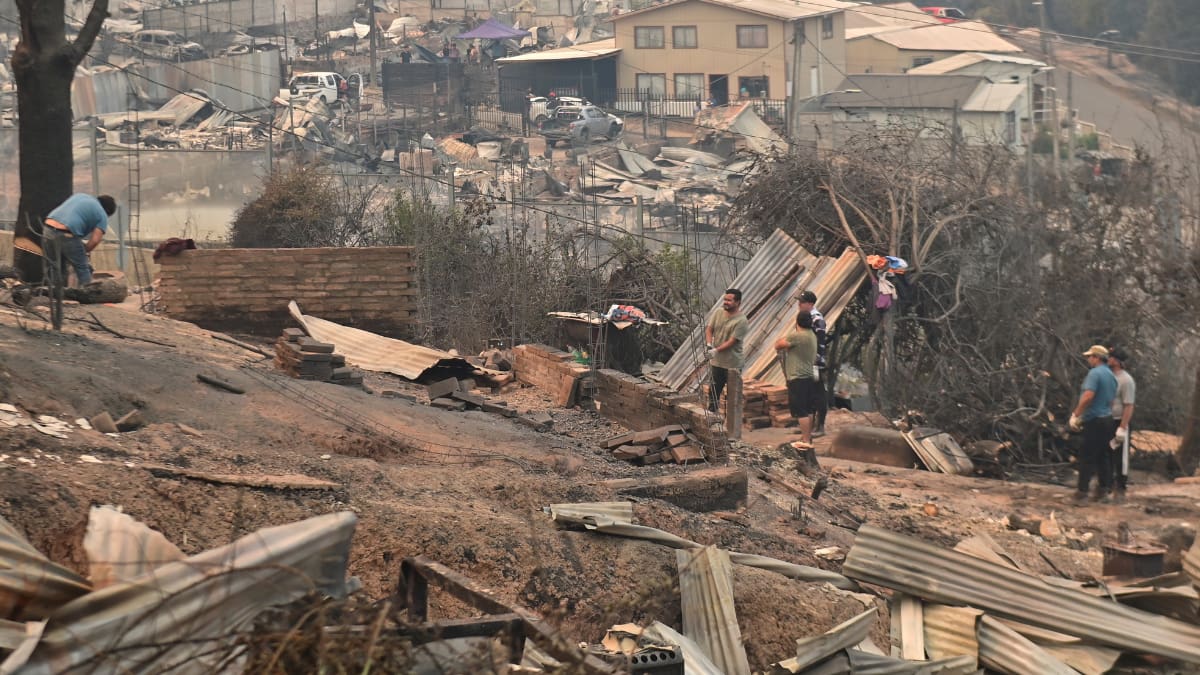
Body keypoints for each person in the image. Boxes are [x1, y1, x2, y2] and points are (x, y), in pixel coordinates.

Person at [1070, 345, 1118, 502]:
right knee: (1103, 456)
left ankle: (1081, 493)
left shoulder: (1094, 373)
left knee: (1087, 456)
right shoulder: (1111, 376)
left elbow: (1088, 396)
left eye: (1090, 356)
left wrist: (1076, 414)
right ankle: (1103, 491)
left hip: (1094, 420)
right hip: (1107, 419)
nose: (1088, 359)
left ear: (1097, 357)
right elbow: (1111, 401)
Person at [42, 193, 117, 287]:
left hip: (47, 228)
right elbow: (95, 240)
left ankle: (56, 297)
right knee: (82, 267)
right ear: (108, 212)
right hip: (66, 233)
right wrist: (84, 251)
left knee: (56, 267)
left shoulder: (80, 196)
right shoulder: (102, 214)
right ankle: (88, 295)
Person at [775, 310, 818, 449]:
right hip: (808, 376)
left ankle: (805, 441)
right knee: (808, 409)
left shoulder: (797, 336)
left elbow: (778, 344)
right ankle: (808, 438)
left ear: (797, 322)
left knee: (801, 411)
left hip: (797, 377)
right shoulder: (811, 335)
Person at [704, 288, 748, 415]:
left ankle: (732, 428)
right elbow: (709, 329)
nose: (726, 302)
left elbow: (732, 341)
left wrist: (716, 350)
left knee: (733, 397)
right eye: (725, 299)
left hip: (733, 364)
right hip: (717, 363)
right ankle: (713, 420)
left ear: (738, 302)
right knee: (713, 394)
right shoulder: (718, 313)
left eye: (729, 300)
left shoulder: (742, 321)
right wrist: (709, 344)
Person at [797, 290, 829, 433]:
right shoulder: (804, 318)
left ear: (810, 304)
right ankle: (808, 426)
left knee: (818, 393)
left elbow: (821, 342)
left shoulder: (817, 319)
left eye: (802, 302)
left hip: (815, 362)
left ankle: (820, 425)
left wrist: (816, 359)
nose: (799, 304)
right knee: (807, 393)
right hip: (805, 361)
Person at [1107, 347, 1137, 499]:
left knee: (1120, 456)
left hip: (1120, 421)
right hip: (1107, 420)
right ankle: (1107, 484)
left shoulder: (1126, 380)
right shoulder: (1108, 376)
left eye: (1111, 357)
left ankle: (1121, 486)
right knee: (1107, 454)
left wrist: (1122, 428)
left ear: (1117, 361)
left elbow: (1129, 405)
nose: (1108, 359)